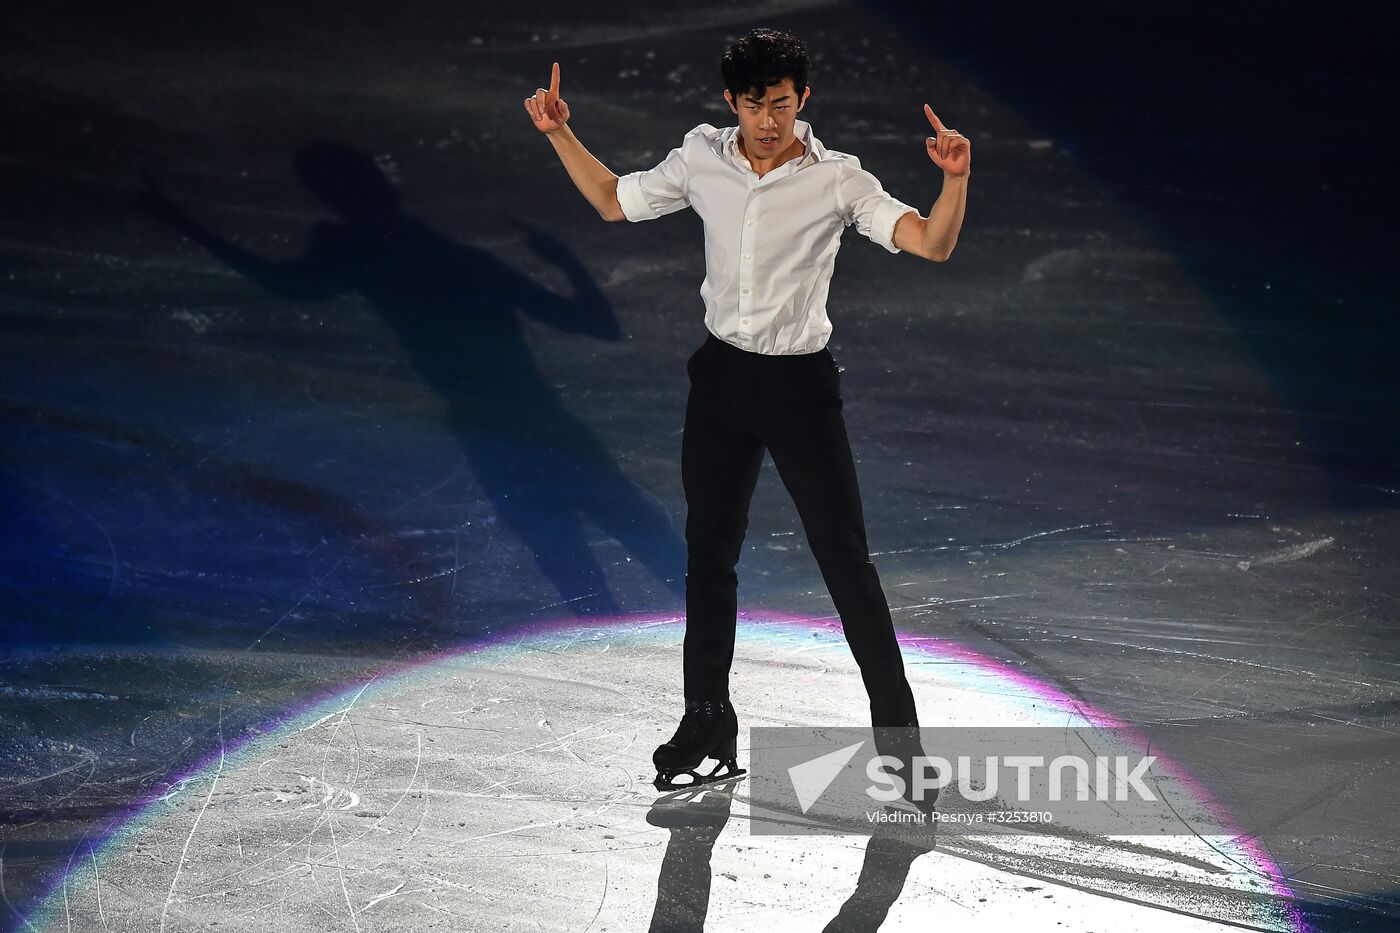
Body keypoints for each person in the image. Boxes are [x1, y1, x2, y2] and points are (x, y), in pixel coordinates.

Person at [524, 27, 970, 792]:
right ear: (733, 102)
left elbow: (930, 245)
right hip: (722, 381)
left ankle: (899, 743)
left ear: (805, 101)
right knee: (709, 554)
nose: (772, 121)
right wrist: (562, 132)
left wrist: (954, 179)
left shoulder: (838, 179)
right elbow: (609, 199)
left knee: (844, 560)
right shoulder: (702, 158)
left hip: (800, 390)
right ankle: (707, 716)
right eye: (758, 105)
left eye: (786, 105)